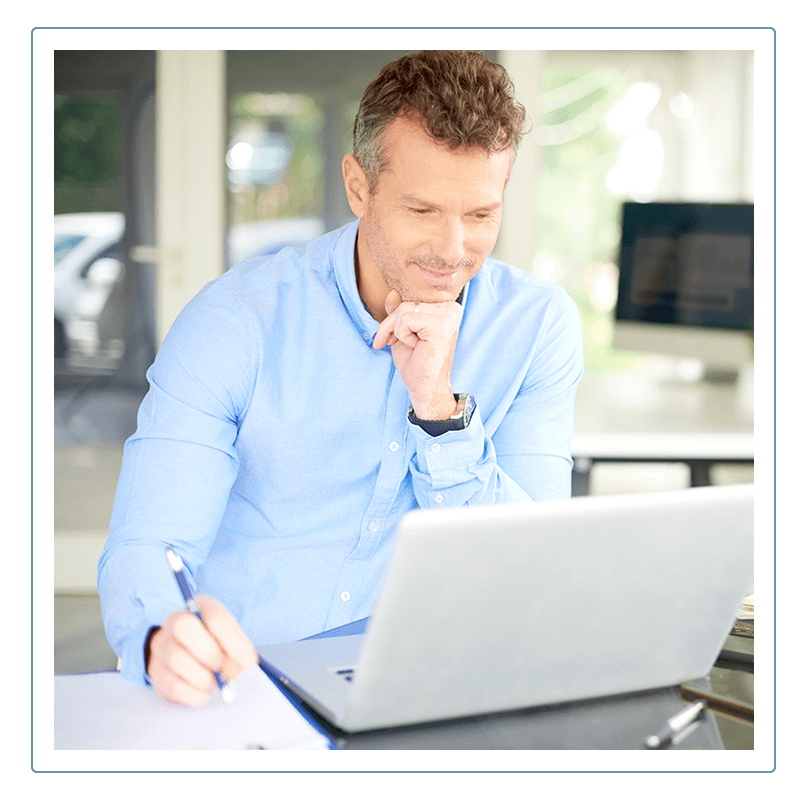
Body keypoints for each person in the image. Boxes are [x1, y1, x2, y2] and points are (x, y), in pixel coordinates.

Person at [98, 50, 584, 707]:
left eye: (480, 215)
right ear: (360, 187)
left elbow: (534, 563)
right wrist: (161, 638)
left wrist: (439, 411)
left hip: (430, 688)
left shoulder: (536, 327)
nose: (452, 249)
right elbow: (150, 542)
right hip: (245, 685)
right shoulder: (235, 321)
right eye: (421, 210)